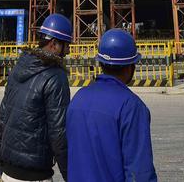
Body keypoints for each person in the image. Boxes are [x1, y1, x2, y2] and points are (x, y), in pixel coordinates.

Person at [66, 29, 157, 182]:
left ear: (101, 63)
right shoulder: (131, 106)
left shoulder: (78, 98)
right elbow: (139, 172)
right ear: (130, 67)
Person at [0, 13, 72, 182]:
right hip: (35, 175)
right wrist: (71, 175)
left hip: (8, 173)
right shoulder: (55, 77)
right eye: (66, 45)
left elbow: (2, 118)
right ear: (54, 43)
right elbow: (59, 135)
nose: (69, 51)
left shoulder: (19, 67)